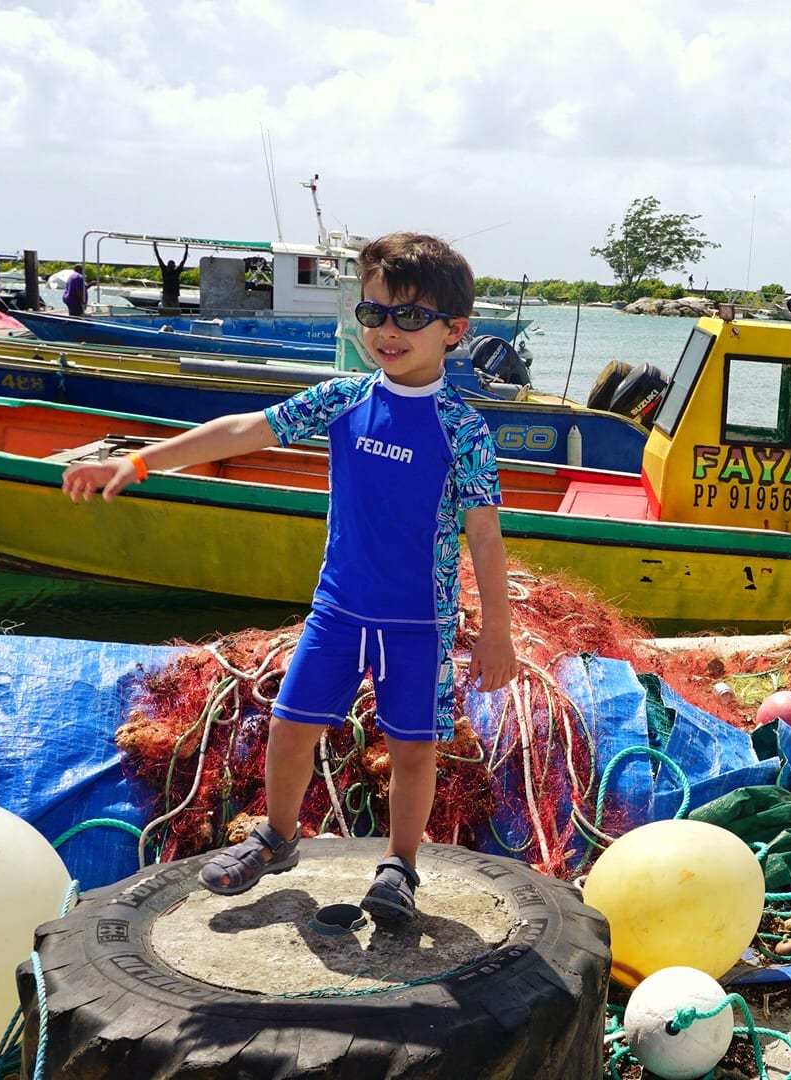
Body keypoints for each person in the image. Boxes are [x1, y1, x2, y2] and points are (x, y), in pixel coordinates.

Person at [61, 232, 519, 923]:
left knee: (414, 750)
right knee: (290, 725)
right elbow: (242, 429)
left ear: (454, 330)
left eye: (408, 318)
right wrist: (143, 462)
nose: (387, 332)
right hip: (338, 612)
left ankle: (400, 863)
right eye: (372, 315)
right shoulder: (341, 399)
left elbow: (484, 538)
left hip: (420, 624)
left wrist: (498, 636)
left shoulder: (465, 431)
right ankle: (277, 836)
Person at [154, 242, 190, 310]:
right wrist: (155, 246)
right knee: (167, 310)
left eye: (171, 265)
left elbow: (183, 260)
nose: (170, 267)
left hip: (173, 295)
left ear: (173, 266)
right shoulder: (166, 270)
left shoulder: (176, 271)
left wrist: (187, 248)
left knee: (174, 311)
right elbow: (158, 257)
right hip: (167, 294)